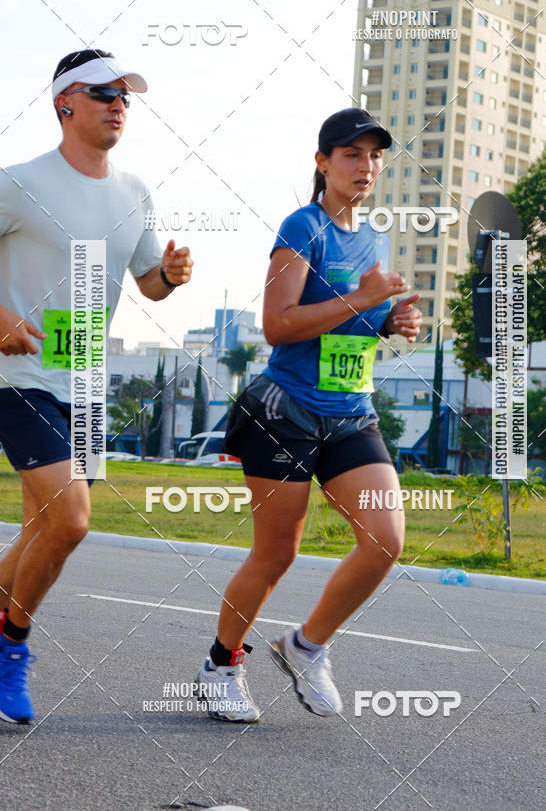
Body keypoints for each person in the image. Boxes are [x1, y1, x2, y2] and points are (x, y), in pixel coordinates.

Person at [196, 107, 422, 722]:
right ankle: (221, 664)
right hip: (286, 413)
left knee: (385, 540)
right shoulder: (304, 227)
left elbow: (354, 321)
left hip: (351, 414)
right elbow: (279, 324)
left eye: (374, 156)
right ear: (322, 162)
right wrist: (367, 297)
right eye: (352, 154)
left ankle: (305, 644)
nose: (366, 166)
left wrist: (391, 321)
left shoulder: (371, 236)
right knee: (277, 554)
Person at [0, 49, 193, 724]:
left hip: (85, 383)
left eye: (126, 97)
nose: (119, 104)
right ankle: (12, 648)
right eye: (105, 92)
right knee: (73, 521)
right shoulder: (17, 183)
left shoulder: (134, 193)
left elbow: (148, 286)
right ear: (65, 104)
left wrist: (170, 274)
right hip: (19, 377)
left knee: (43, 529)